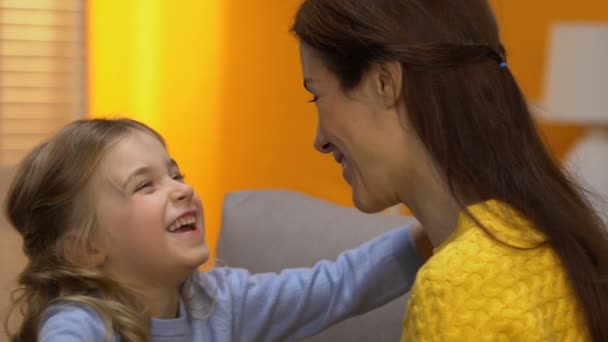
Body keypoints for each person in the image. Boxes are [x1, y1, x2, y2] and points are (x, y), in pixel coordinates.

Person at [291, 0, 608, 341]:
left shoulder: (457, 288)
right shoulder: (546, 244)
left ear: (384, 83)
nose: (319, 140)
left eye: (316, 96)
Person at [4, 118, 425, 341]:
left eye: (176, 173)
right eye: (145, 184)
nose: (182, 189)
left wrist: (427, 235)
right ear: (85, 249)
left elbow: (336, 286)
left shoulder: (221, 304)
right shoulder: (81, 323)